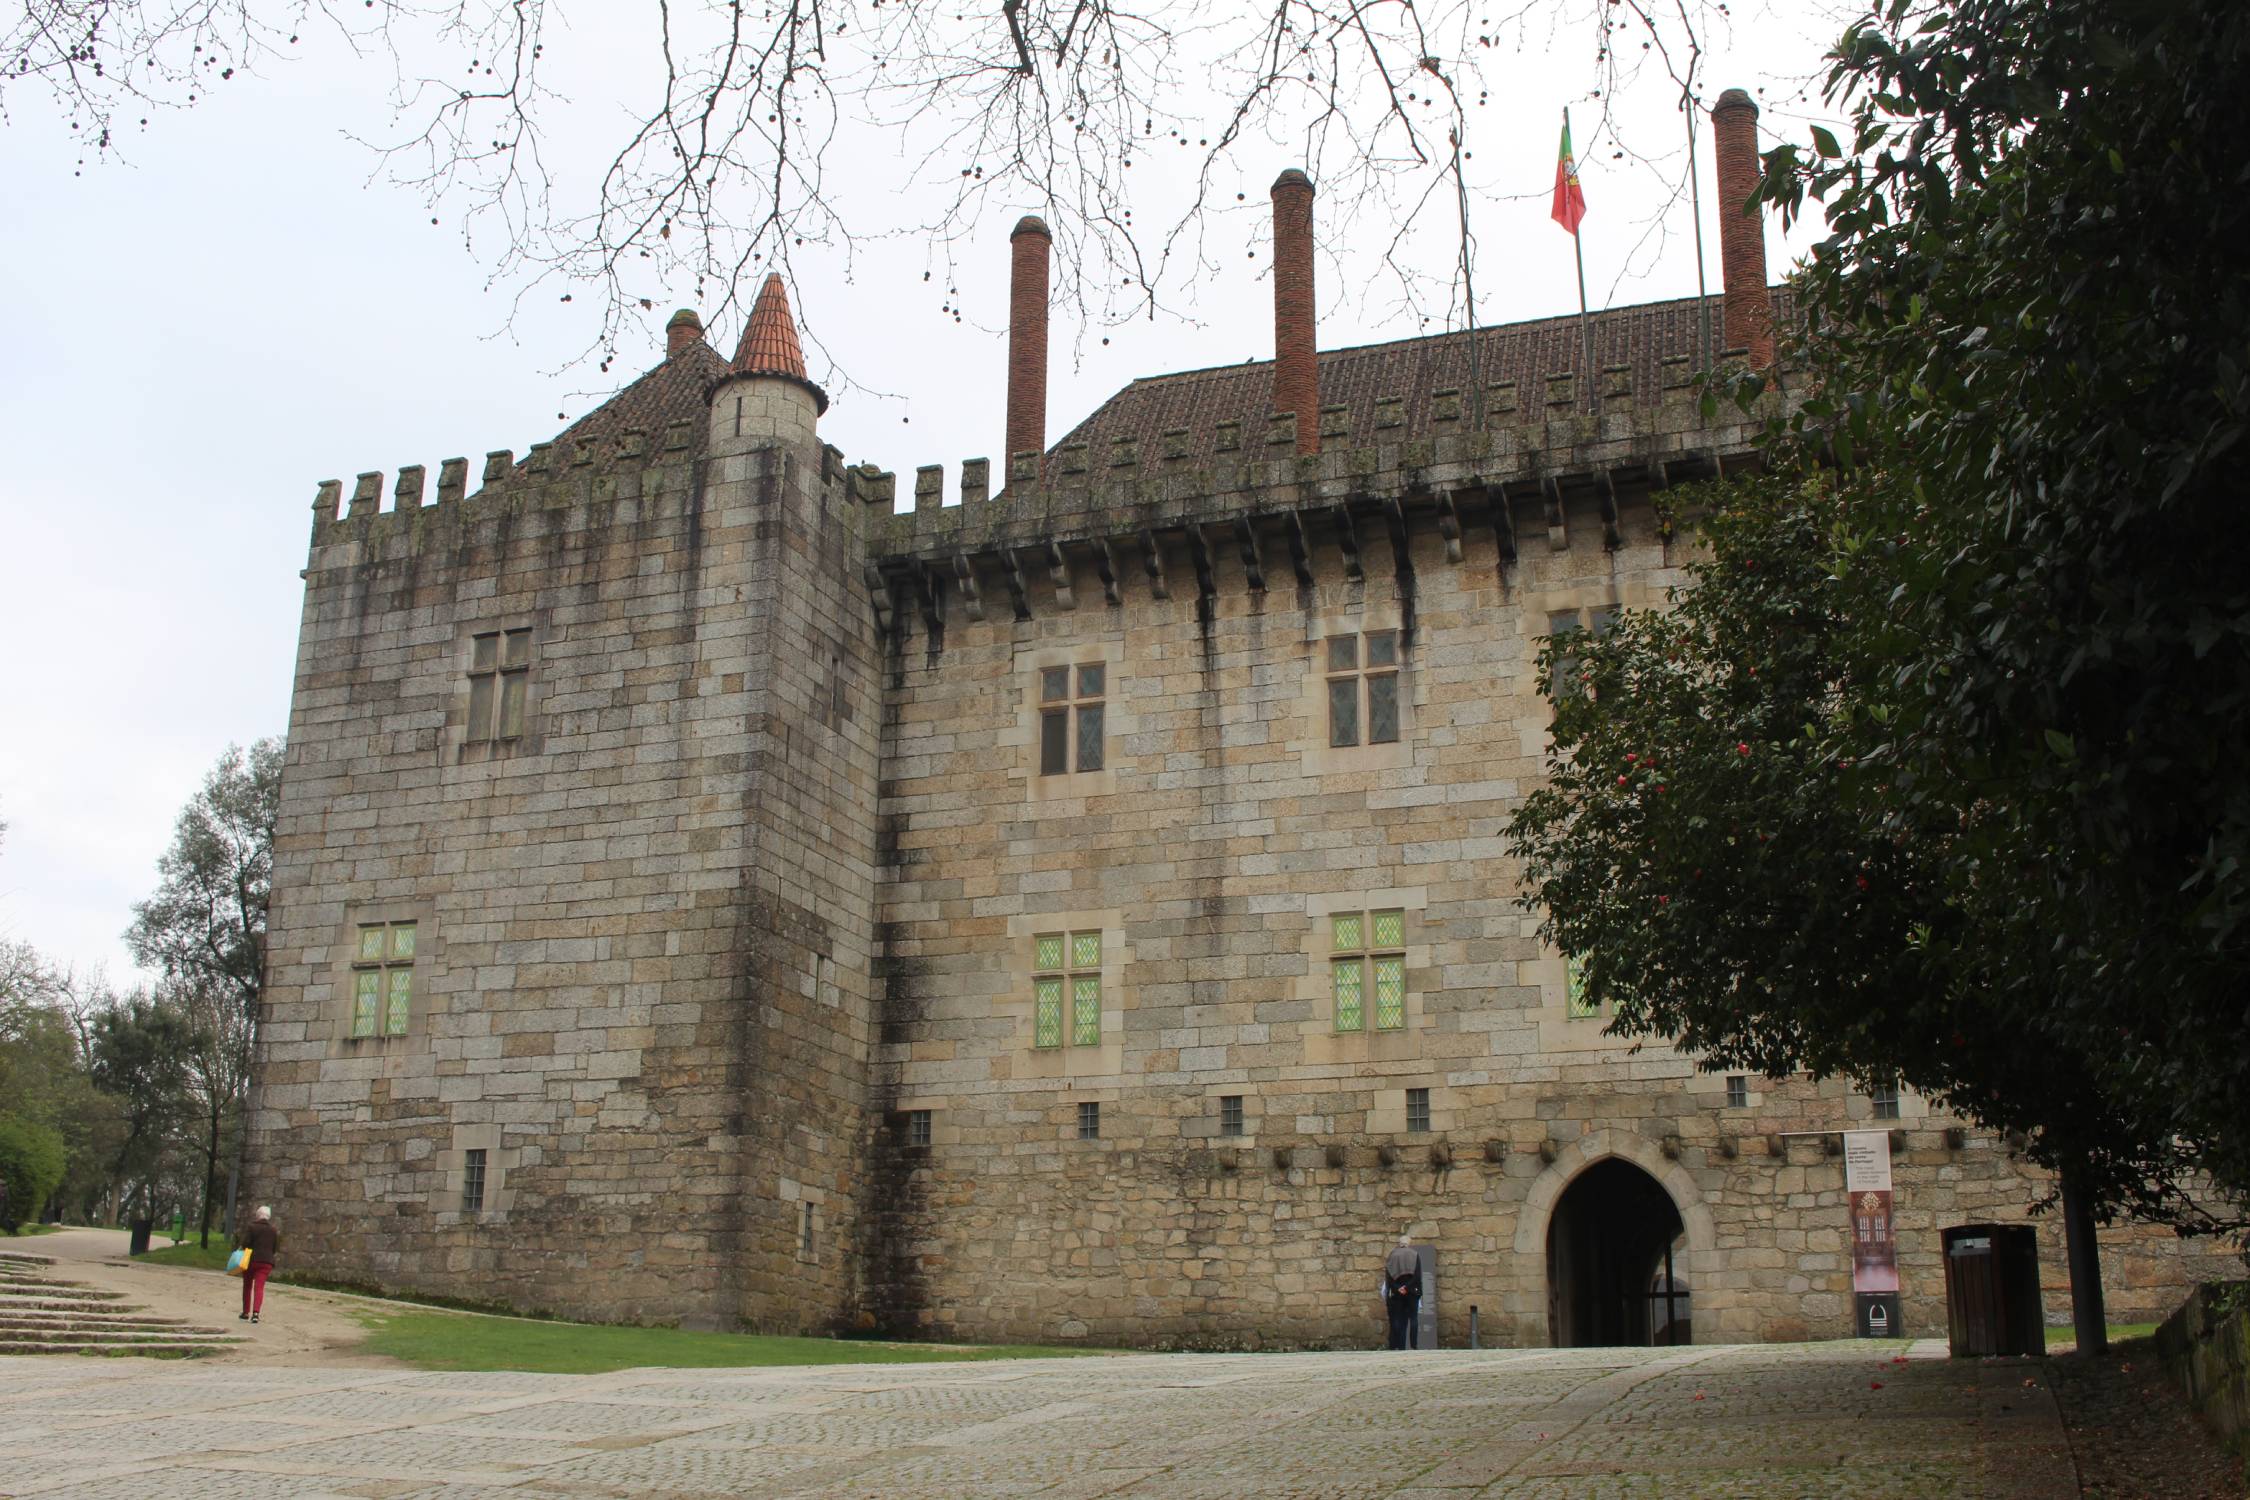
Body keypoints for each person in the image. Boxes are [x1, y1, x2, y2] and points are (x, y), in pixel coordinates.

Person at [236, 1205, 280, 1323]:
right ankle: (256, 1314)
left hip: (251, 1261)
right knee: (259, 1287)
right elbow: (275, 1247)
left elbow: (245, 1243)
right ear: (268, 1217)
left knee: (247, 1286)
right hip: (266, 1262)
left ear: (258, 1215)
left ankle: (245, 1312)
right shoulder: (273, 1230)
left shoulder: (252, 1227)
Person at [1383, 1233, 1422, 1350]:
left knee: (1398, 1318)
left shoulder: (1392, 1255)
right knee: (1413, 1318)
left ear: (1400, 1243)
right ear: (1408, 1243)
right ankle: (1414, 1345)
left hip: (1397, 1292)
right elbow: (1417, 1276)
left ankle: (1399, 1345)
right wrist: (1407, 1287)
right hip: (1412, 1291)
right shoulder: (1414, 1255)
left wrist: (1398, 1288)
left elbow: (1389, 1276)